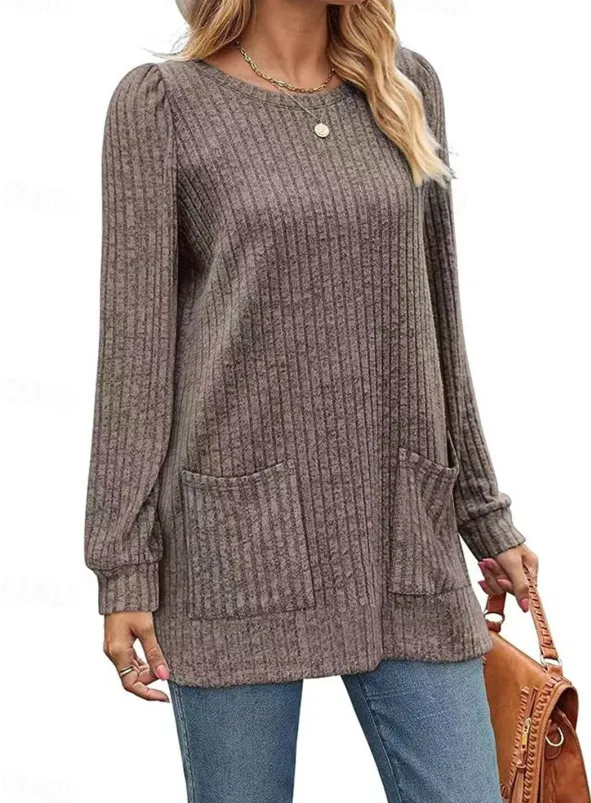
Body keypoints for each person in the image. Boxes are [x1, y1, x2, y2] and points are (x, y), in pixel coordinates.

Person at [83, 0, 539, 800]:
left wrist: (483, 512)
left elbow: (440, 319)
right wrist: (123, 565)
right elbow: (135, 351)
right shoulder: (162, 106)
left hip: (403, 529)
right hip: (236, 548)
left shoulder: (404, 87)